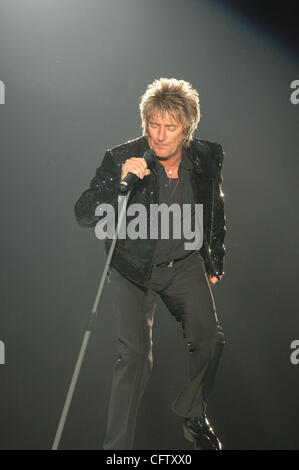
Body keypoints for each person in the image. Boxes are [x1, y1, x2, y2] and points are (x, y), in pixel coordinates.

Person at [74, 78, 226, 450]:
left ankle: (192, 414)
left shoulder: (206, 156)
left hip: (184, 262)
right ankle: (116, 450)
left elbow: (215, 206)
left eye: (169, 127)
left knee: (209, 339)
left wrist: (214, 256)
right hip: (132, 268)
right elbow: (84, 212)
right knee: (135, 357)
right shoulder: (120, 157)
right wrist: (120, 184)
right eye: (153, 125)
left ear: (187, 128)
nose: (159, 135)